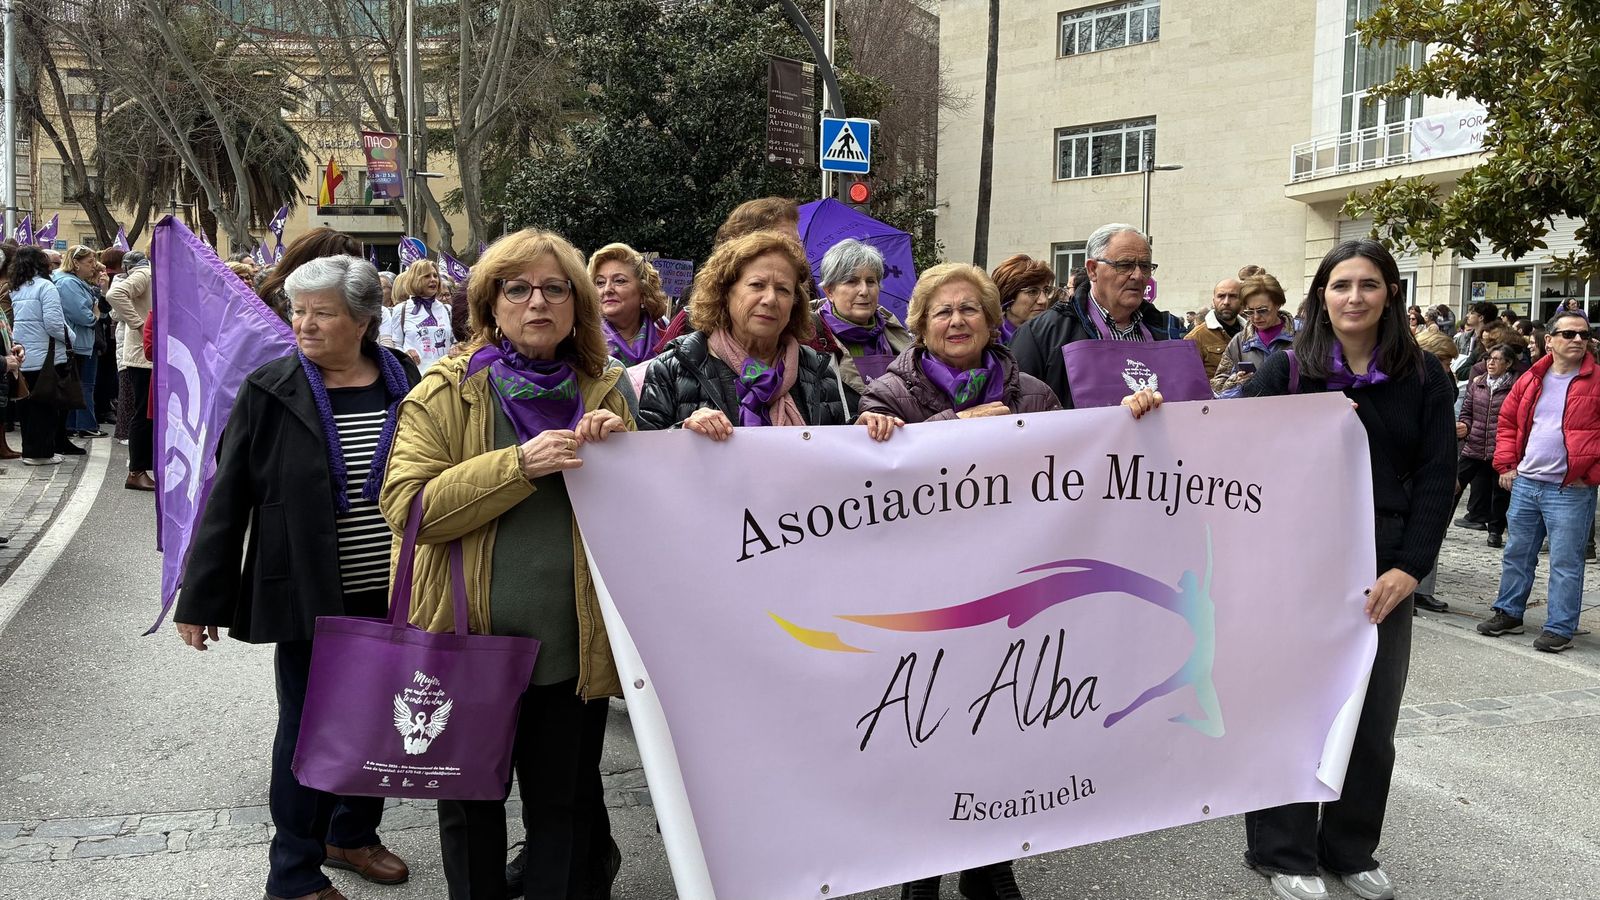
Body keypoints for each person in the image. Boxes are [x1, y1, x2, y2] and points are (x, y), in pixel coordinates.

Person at [378, 228, 633, 900]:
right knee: (471, 814)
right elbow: (409, 507)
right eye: (517, 289)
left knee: (564, 813)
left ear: (577, 305)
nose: (537, 302)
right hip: (467, 647)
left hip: (570, 653)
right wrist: (518, 464)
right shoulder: (447, 390)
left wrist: (623, 452)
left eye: (555, 289)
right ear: (489, 306)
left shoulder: (606, 390)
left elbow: (645, 518)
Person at [174, 254, 419, 900]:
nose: (305, 325)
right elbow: (226, 502)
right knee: (308, 731)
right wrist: (200, 599)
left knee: (380, 720)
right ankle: (293, 872)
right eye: (298, 311)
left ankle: (353, 833)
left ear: (364, 320)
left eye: (323, 313)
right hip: (312, 595)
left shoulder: (408, 381)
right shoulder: (270, 388)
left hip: (399, 591)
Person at [1233, 239, 1454, 900]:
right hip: (1296, 567)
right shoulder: (1287, 373)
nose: (1354, 297)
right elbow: (1218, 438)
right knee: (1291, 712)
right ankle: (1282, 851)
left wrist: (1411, 568)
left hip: (1383, 574)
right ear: (1321, 297)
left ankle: (1350, 847)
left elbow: (1439, 478)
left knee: (1372, 720)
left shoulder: (1423, 377)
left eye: (1368, 284)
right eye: (1340, 285)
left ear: (1390, 293)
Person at [857, 269, 1058, 900]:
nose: (958, 320)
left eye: (972, 309)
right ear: (919, 324)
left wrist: (1136, 411)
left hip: (1012, 585)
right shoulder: (886, 395)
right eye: (942, 311)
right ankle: (922, 868)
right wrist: (958, 425)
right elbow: (869, 485)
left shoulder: (1035, 394)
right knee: (928, 727)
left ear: (993, 321)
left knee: (1002, 725)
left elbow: (1074, 469)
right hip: (925, 593)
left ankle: (990, 862)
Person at [1477, 310, 1600, 654]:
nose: (1578, 340)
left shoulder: (1597, 380)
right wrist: (1506, 466)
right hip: (1528, 483)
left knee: (1566, 561)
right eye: (1569, 334)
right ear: (1550, 341)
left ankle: (1559, 626)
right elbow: (1508, 423)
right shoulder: (1532, 378)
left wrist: (1590, 473)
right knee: (1517, 552)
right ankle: (1509, 612)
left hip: (1570, 489)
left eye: (1584, 335)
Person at [639, 230, 844, 434]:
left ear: (795, 302)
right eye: (757, 285)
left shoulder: (818, 369)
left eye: (783, 289)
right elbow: (646, 456)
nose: (770, 299)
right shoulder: (672, 368)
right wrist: (684, 432)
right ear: (725, 292)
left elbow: (834, 454)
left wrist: (860, 430)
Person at [1011, 223, 1175, 408]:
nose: (1138, 275)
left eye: (1145, 266)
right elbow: (1020, 417)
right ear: (1092, 270)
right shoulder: (1041, 335)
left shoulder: (1169, 331)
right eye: (1125, 265)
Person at [651, 196, 802, 355]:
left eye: (797, 244)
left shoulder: (815, 360)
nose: (795, 253)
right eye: (757, 285)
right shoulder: (682, 357)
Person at [807, 238, 914, 419]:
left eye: (871, 281)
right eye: (852, 281)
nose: (864, 291)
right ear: (829, 291)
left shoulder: (898, 335)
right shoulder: (809, 337)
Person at [10, 246, 79, 465]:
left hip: (24, 355)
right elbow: (54, 323)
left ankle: (30, 450)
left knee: (27, 407)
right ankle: (41, 453)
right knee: (46, 407)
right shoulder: (46, 287)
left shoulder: (16, 288)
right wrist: (71, 337)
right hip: (47, 357)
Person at [1455, 345, 1516, 547]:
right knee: (1454, 483)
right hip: (1474, 443)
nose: (1491, 362)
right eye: (1489, 358)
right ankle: (1441, 526)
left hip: (1499, 447)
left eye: (1497, 359)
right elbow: (1466, 411)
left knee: (1500, 493)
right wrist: (1466, 426)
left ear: (1508, 364)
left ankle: (1495, 532)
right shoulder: (1477, 383)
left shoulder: (1514, 386)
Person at [106, 250, 156, 490]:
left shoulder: (154, 274)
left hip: (150, 355)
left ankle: (144, 466)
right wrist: (139, 323)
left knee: (151, 414)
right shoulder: (145, 273)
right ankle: (136, 471)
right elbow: (115, 294)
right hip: (142, 357)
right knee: (143, 414)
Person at [1213, 267, 1295, 394]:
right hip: (1252, 410)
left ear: (1278, 304)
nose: (1256, 317)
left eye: (1262, 310)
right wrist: (1236, 381)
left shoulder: (1301, 336)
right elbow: (1217, 387)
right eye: (1249, 312)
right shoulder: (1238, 342)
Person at [588, 242, 670, 366]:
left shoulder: (665, 330)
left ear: (643, 292)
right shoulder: (584, 338)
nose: (607, 289)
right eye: (600, 282)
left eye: (619, 281)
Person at [52, 245, 102, 439]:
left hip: (81, 341)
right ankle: (80, 424)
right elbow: (83, 315)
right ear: (75, 263)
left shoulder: (76, 282)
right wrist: (95, 315)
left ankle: (75, 424)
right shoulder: (68, 284)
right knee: (81, 385)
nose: (93, 266)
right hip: (77, 342)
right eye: (89, 262)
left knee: (81, 385)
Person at [381, 259, 453, 371]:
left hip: (442, 376)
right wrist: (405, 354)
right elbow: (396, 345)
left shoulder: (447, 309)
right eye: (427, 276)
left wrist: (455, 349)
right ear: (415, 279)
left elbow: (454, 342)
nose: (433, 279)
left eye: (435, 275)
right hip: (415, 377)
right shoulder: (401, 310)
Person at [990, 253, 1055, 344]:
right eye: (1032, 291)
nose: (1043, 300)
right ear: (1008, 296)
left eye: (1046, 290)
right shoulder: (986, 342)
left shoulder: (1055, 336)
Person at [1186, 276, 1244, 376]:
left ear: (1242, 302)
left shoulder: (1252, 332)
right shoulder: (1195, 337)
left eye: (1233, 296)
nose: (1226, 302)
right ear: (1213, 301)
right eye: (1221, 296)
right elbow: (1189, 379)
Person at [1453, 300, 1498, 379]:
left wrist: (1476, 369)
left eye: (1472, 313)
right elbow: (1460, 372)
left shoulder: (1494, 341)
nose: (1467, 315)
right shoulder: (1464, 338)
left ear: (1481, 318)